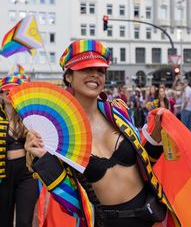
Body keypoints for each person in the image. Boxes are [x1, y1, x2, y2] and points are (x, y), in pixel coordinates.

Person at [24, 39, 180, 227]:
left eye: (100, 70)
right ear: (68, 76)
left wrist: (155, 137)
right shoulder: (57, 134)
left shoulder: (118, 111)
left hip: (148, 216)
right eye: (86, 69)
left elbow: (144, 164)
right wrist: (45, 160)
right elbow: (72, 204)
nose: (94, 75)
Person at [0, 74, 38, 227]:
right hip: (2, 174)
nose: (10, 95)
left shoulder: (30, 116)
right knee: (3, 221)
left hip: (27, 173)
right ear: (1, 94)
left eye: (15, 91)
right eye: (6, 91)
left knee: (24, 221)